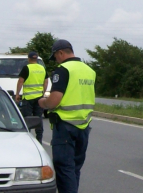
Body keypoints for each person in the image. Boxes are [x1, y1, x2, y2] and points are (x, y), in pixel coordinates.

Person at [38, 39, 96, 193]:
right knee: (74, 169)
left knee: (64, 169)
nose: (56, 60)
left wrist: (43, 102)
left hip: (65, 127)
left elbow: (54, 100)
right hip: (84, 126)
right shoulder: (89, 70)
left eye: (55, 56)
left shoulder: (63, 70)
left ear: (61, 53)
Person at [15, 51, 49, 144]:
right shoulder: (42, 68)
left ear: (29, 59)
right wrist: (43, 92)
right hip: (39, 98)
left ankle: (28, 140)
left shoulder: (27, 68)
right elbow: (46, 82)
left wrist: (17, 94)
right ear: (37, 59)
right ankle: (39, 140)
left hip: (28, 98)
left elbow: (20, 81)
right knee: (38, 119)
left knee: (27, 119)